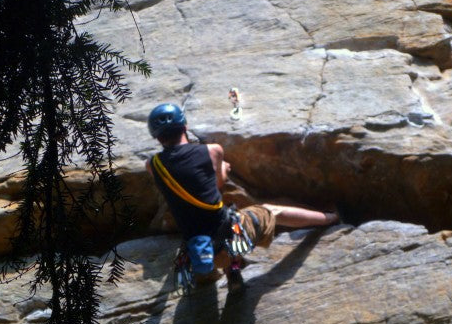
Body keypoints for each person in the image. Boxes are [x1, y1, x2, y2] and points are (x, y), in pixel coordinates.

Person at [145, 103, 339, 291]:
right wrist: (223, 170)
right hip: (231, 239)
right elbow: (216, 188)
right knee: (270, 212)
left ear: (157, 138)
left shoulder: (153, 165)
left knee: (211, 230)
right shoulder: (212, 151)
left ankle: (222, 272)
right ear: (184, 126)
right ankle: (331, 218)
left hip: (199, 250)